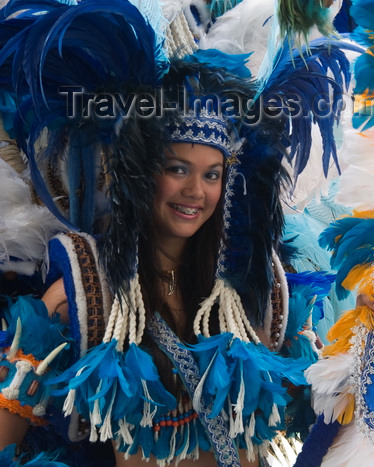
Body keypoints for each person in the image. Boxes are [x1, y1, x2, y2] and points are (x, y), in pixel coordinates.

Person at [0, 0, 348, 465]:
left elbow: (325, 407)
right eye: (177, 168)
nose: (195, 191)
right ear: (142, 174)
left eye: (211, 174)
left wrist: (363, 339)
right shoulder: (86, 295)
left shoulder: (262, 289)